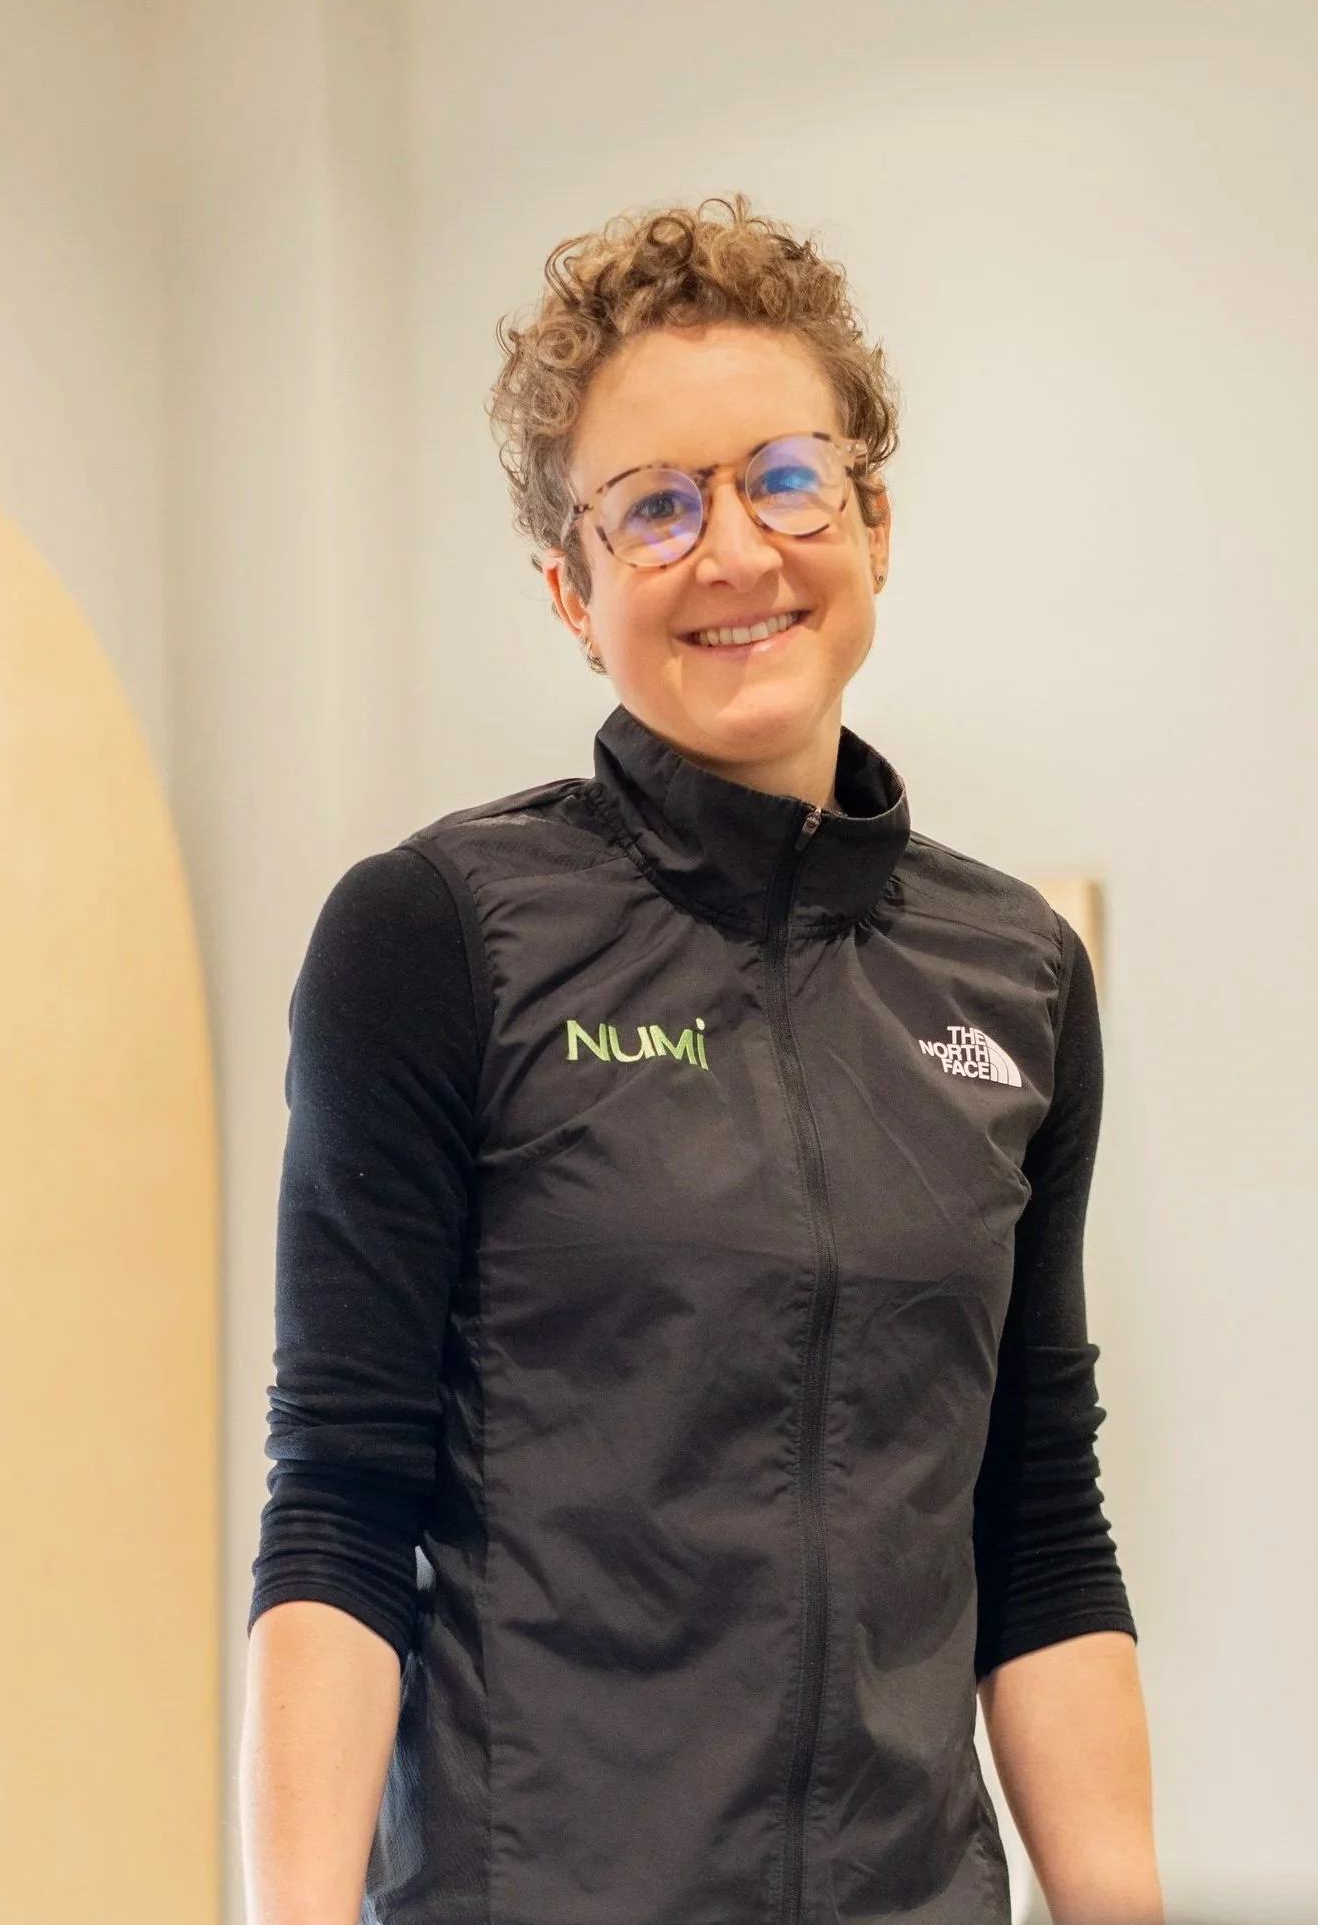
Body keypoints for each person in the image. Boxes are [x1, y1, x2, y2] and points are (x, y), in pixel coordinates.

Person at [242, 197, 1162, 1925]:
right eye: (653, 509)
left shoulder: (1019, 975)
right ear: (570, 593)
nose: (732, 550)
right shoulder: (433, 935)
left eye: (784, 478)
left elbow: (1037, 1510)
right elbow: (341, 1499)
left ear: (874, 520)